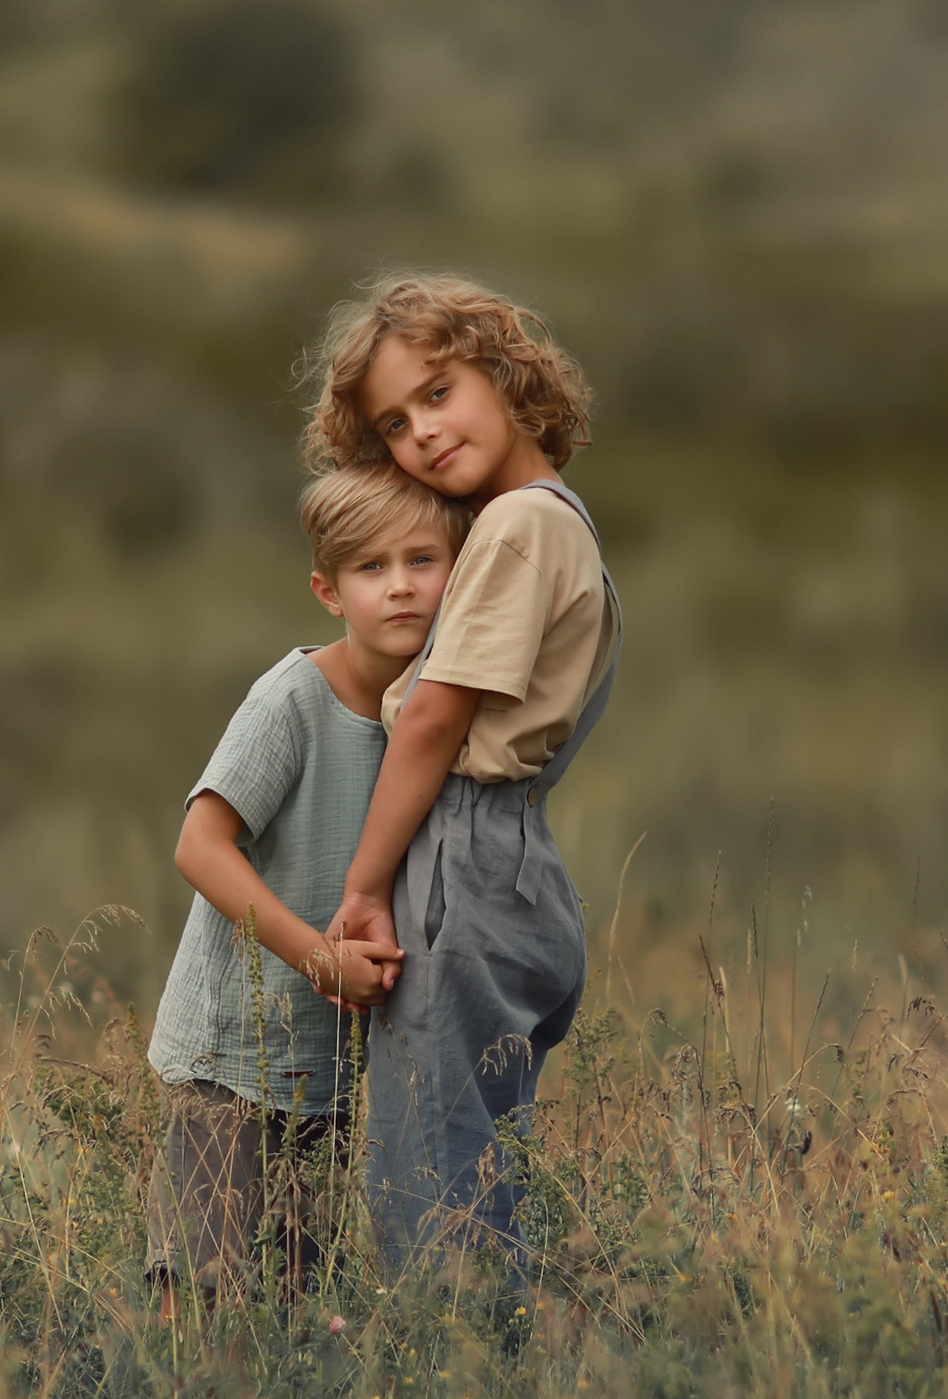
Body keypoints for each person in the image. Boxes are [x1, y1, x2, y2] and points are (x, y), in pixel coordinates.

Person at [304, 272, 620, 1270]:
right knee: (474, 1177)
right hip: (514, 856)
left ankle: (464, 1362)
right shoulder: (555, 517)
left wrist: (361, 888)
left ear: (504, 368)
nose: (423, 434)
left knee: (432, 1206)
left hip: (466, 859)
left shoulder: (521, 525)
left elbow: (438, 716)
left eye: (438, 392)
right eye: (394, 425)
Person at [141, 460, 470, 1312]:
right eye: (372, 568)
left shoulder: (430, 717)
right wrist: (318, 959)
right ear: (329, 590)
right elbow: (200, 846)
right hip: (229, 1060)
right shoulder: (291, 701)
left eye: (422, 562)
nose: (401, 588)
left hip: (327, 1071)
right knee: (201, 1301)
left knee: (294, 1304)